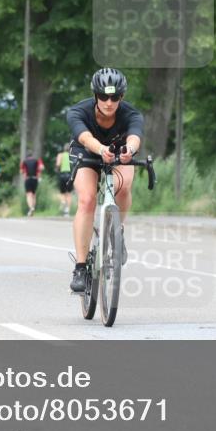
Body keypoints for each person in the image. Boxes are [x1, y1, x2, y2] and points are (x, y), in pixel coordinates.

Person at [66, 67, 144, 293]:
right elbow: (84, 136)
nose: (109, 102)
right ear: (95, 96)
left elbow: (135, 135)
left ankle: (117, 231)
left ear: (122, 97)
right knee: (87, 200)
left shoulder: (131, 113)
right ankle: (80, 267)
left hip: (119, 152)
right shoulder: (78, 111)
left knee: (124, 184)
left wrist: (129, 149)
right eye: (103, 96)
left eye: (115, 97)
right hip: (87, 151)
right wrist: (100, 149)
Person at [20, 151, 44, 217]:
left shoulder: (24, 161)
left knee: (28, 194)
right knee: (33, 194)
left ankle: (31, 208)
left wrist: (24, 173)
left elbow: (21, 171)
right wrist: (39, 175)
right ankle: (33, 207)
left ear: (27, 156)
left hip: (28, 179)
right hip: (35, 179)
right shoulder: (36, 160)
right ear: (32, 156)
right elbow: (41, 167)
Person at [55, 143, 74, 216]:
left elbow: (58, 164)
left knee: (62, 192)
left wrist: (57, 170)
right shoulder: (71, 156)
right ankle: (67, 211)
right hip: (70, 175)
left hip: (62, 175)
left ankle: (63, 201)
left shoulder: (60, 155)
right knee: (69, 193)